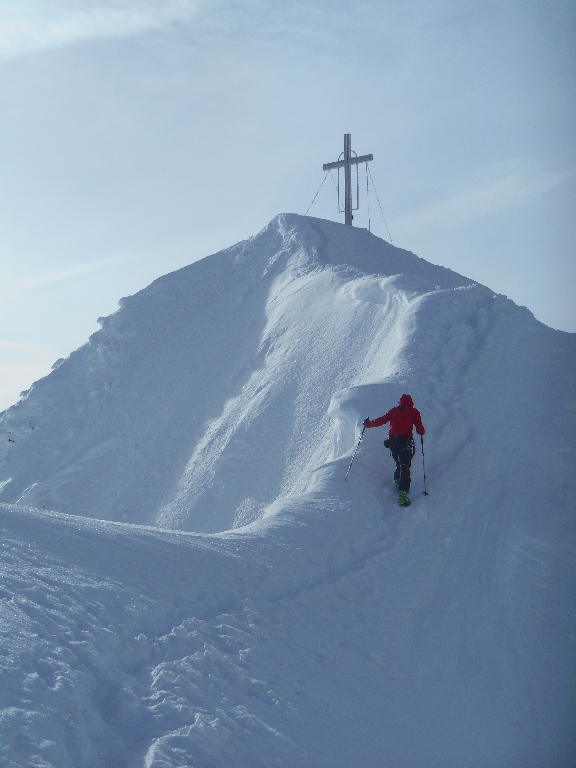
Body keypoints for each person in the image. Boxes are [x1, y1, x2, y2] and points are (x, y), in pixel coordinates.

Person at [363, 394, 425, 507]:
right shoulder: (414, 412)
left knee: (398, 462)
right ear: (411, 402)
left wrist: (368, 424)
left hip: (392, 441)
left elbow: (381, 420)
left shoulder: (394, 410)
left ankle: (397, 481)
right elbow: (420, 429)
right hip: (404, 441)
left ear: (400, 402)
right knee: (405, 465)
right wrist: (421, 432)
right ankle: (402, 494)